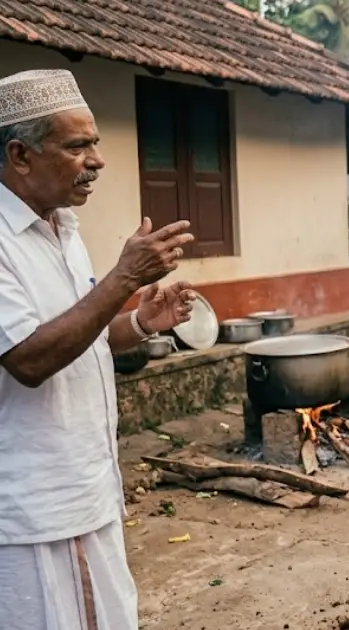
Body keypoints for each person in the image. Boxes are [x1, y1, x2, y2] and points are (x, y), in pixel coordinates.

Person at [0, 69, 196, 629]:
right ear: (20, 155)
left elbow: (79, 335)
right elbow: (29, 359)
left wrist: (139, 322)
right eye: (77, 146)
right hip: (35, 510)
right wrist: (123, 277)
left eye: (96, 143)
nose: (98, 160)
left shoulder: (64, 227)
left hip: (90, 490)